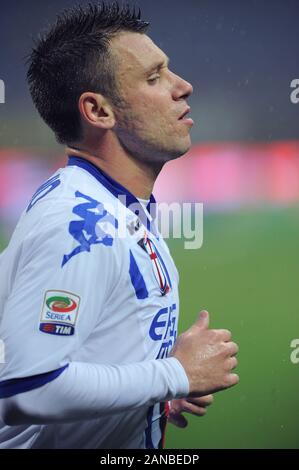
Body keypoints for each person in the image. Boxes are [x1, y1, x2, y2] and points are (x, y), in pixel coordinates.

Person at [0, 2, 239, 449]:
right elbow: (25, 389)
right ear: (98, 110)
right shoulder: (77, 227)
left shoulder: (117, 206)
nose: (183, 86)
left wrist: (157, 395)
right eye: (154, 77)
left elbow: (85, 358)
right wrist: (175, 373)